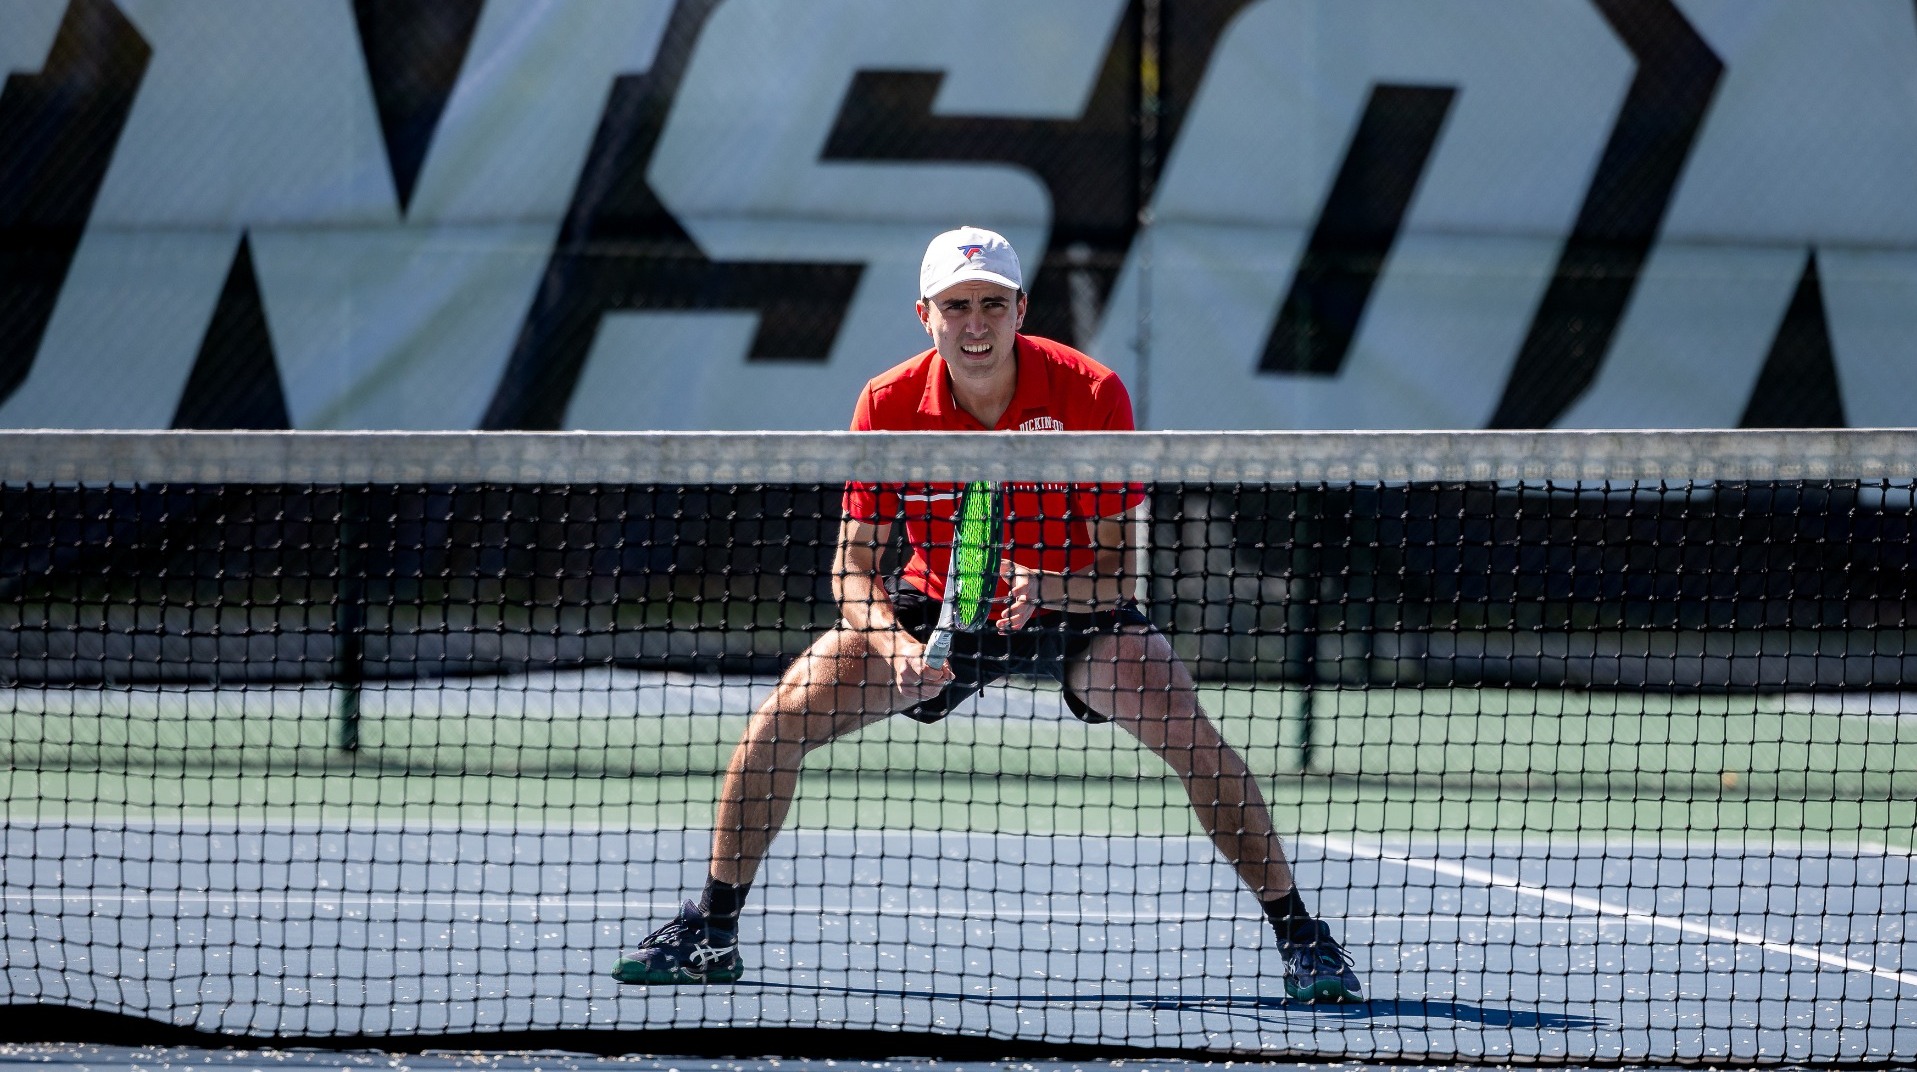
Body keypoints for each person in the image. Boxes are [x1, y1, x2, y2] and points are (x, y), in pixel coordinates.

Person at [612, 226, 1363, 1004]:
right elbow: (852, 565)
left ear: (1020, 309)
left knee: (1190, 731)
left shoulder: (1091, 393)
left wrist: (1046, 589)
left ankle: (1302, 937)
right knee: (777, 723)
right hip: (933, 603)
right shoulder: (888, 401)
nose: (975, 323)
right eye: (957, 306)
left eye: (992, 305)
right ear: (924, 314)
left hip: (1072, 602)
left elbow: (1118, 572)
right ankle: (712, 929)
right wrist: (894, 646)